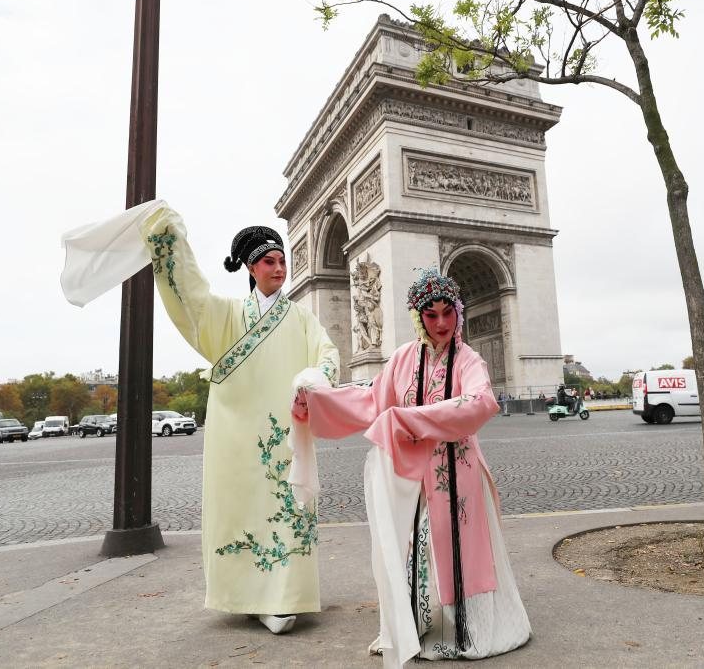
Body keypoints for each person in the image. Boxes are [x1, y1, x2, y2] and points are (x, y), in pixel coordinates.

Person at [60, 200, 339, 635]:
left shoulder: (302, 317)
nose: (279, 268)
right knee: (242, 511)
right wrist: (170, 241)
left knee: (286, 509)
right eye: (269, 261)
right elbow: (192, 298)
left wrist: (314, 378)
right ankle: (249, 597)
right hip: (236, 436)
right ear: (251, 267)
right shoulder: (227, 315)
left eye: (282, 261)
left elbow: (327, 353)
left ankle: (284, 597)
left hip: (285, 432)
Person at [292, 268, 531, 667]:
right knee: (414, 548)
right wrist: (317, 401)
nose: (441, 324)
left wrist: (410, 419)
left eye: (448, 313)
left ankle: (466, 627)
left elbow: (481, 402)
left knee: (458, 550)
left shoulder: (469, 360)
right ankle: (414, 625)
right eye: (430, 315)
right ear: (418, 317)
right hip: (411, 477)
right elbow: (371, 401)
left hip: (458, 475)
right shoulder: (403, 358)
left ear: (459, 312)